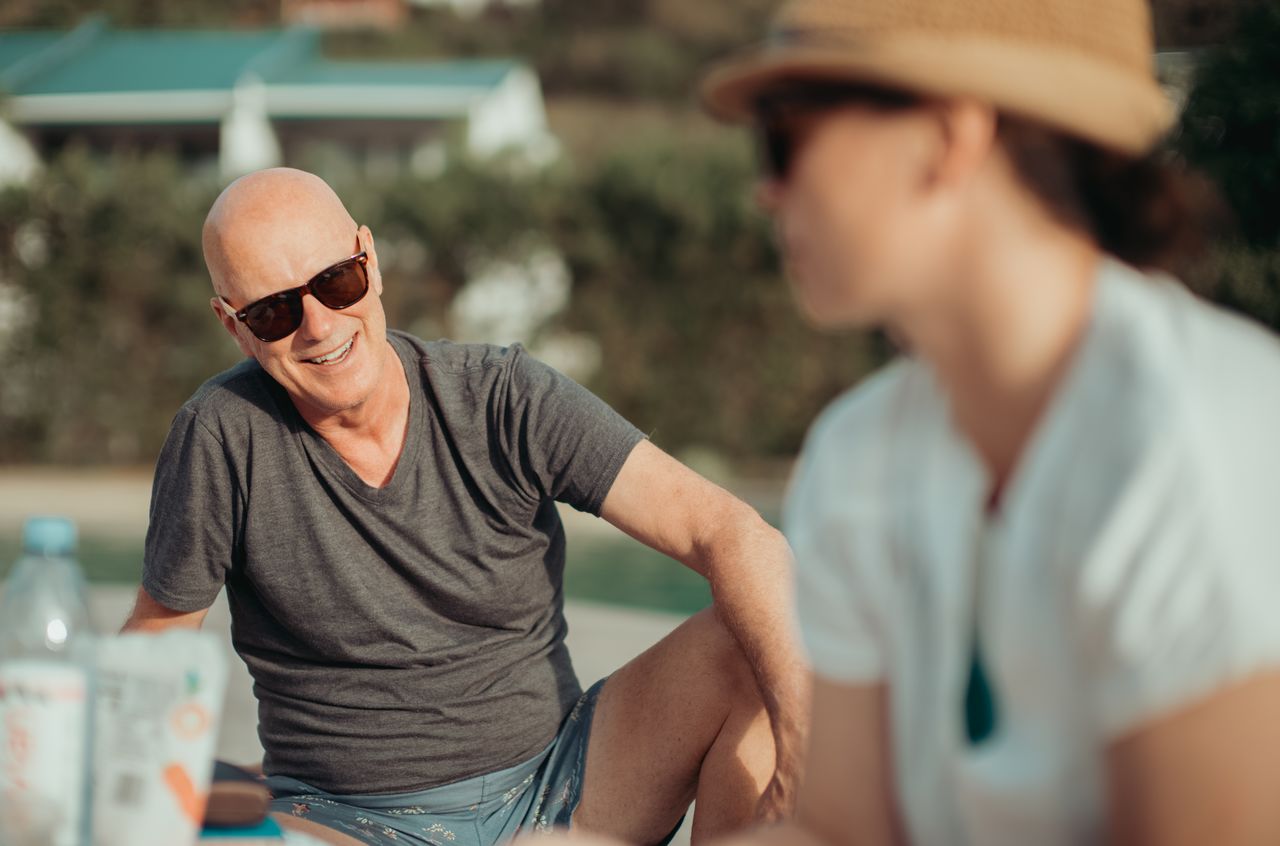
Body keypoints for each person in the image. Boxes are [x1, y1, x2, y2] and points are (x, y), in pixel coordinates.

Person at [699, 0, 1280, 843]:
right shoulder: (859, 453)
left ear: (944, 140)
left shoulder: (1197, 449)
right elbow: (840, 833)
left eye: (785, 135)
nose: (766, 189)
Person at [122, 168, 809, 846]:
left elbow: (731, 532)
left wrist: (803, 749)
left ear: (371, 259)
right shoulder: (220, 435)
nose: (318, 325)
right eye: (273, 310)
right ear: (233, 326)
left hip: (566, 788)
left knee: (754, 633)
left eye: (337, 282)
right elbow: (155, 646)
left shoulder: (503, 396)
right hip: (345, 820)